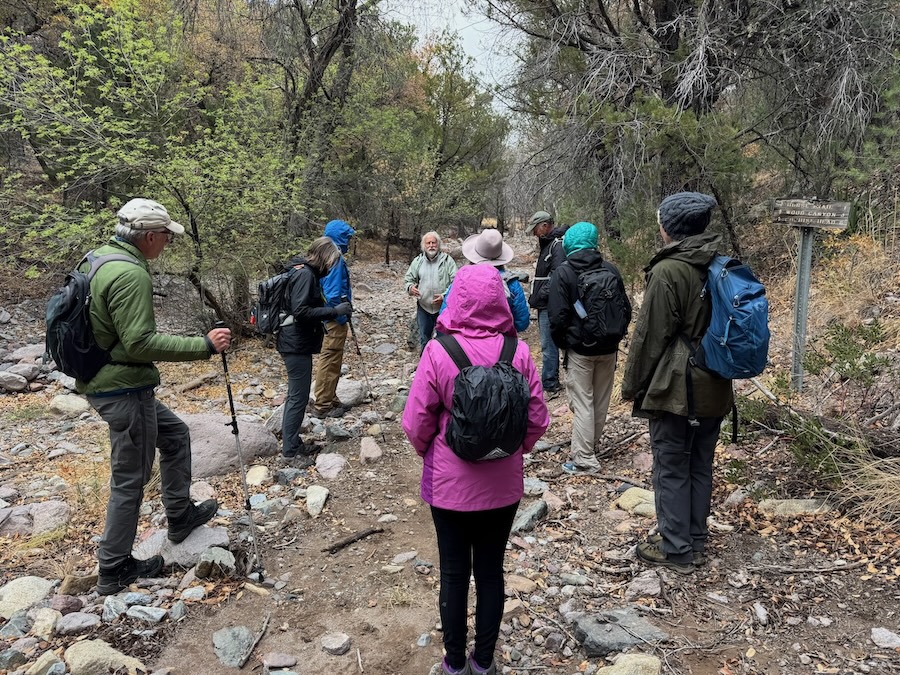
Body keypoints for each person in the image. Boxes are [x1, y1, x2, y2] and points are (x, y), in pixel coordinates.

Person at [80, 198, 232, 596]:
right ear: (149, 236)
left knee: (176, 435)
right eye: (166, 235)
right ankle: (114, 568)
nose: (167, 242)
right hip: (122, 389)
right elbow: (139, 343)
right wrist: (203, 345)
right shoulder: (130, 274)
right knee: (130, 479)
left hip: (108, 381)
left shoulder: (98, 258)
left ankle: (180, 517)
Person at [402, 264, 549, 675]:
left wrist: (432, 454)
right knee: (489, 573)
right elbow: (537, 419)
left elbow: (416, 422)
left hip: (449, 487)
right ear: (501, 301)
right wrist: (511, 450)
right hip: (503, 487)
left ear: (455, 299)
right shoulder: (517, 352)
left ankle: (453, 664)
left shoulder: (438, 350)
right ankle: (482, 662)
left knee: (453, 573)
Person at [621, 192, 733, 575]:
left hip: (676, 387)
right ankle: (695, 540)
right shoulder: (719, 264)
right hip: (716, 382)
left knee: (670, 465)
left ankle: (676, 548)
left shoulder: (669, 270)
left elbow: (650, 336)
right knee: (701, 463)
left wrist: (633, 385)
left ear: (668, 227)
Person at [548, 221, 631, 475]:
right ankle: (590, 446)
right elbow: (625, 310)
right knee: (601, 400)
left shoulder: (564, 272)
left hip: (580, 350)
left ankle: (584, 458)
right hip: (609, 347)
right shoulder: (610, 269)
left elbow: (557, 318)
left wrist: (566, 344)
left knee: (583, 402)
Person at [277, 237, 352, 466]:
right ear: (325, 258)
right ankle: (290, 452)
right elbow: (301, 311)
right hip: (294, 342)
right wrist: (333, 311)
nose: (331, 267)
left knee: (296, 396)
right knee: (298, 398)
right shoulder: (306, 275)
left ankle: (294, 443)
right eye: (331, 262)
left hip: (294, 341)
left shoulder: (301, 270)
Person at [441, 229, 530, 333]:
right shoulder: (511, 283)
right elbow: (522, 322)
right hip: (501, 343)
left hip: (464, 342)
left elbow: (444, 313)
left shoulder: (461, 280)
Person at [312, 219, 355, 418]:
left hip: (325, 316)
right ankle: (323, 404)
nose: (349, 241)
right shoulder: (335, 257)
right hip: (333, 318)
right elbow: (333, 292)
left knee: (329, 357)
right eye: (347, 237)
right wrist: (340, 315)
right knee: (331, 358)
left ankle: (329, 397)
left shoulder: (321, 253)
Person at [526, 211, 567, 395]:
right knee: (549, 344)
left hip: (549, 303)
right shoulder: (548, 244)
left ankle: (550, 382)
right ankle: (551, 380)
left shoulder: (556, 246)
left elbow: (557, 276)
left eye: (535, 229)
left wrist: (540, 295)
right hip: (546, 302)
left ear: (544, 226)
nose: (534, 234)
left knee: (548, 345)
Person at [404, 231, 458, 351]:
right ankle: (425, 365)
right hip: (423, 307)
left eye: (434, 242)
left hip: (443, 307)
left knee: (444, 339)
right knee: (424, 338)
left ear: (438, 244)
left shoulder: (448, 261)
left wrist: (444, 296)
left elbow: (456, 282)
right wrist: (410, 288)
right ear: (424, 245)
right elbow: (408, 279)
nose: (431, 245)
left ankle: (443, 366)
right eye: (428, 243)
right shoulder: (418, 261)